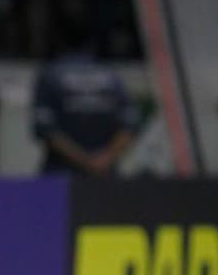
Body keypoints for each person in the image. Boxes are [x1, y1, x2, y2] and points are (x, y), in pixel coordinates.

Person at [31, 17, 138, 175]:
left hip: (61, 177)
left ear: (59, 40)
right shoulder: (111, 76)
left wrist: (85, 161)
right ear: (91, 42)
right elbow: (130, 126)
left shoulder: (50, 75)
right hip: (105, 175)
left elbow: (46, 130)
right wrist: (104, 159)